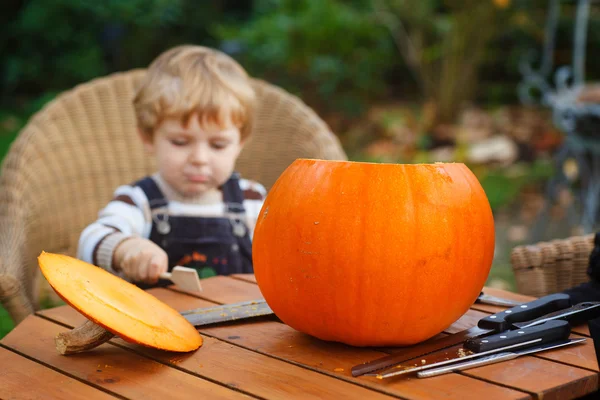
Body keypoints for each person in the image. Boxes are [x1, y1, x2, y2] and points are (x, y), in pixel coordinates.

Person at [77, 45, 266, 288]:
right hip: (157, 323)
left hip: (241, 323)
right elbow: (88, 242)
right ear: (148, 137)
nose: (199, 158)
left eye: (218, 145)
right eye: (180, 142)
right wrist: (126, 248)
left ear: (239, 143)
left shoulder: (252, 199)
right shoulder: (139, 201)